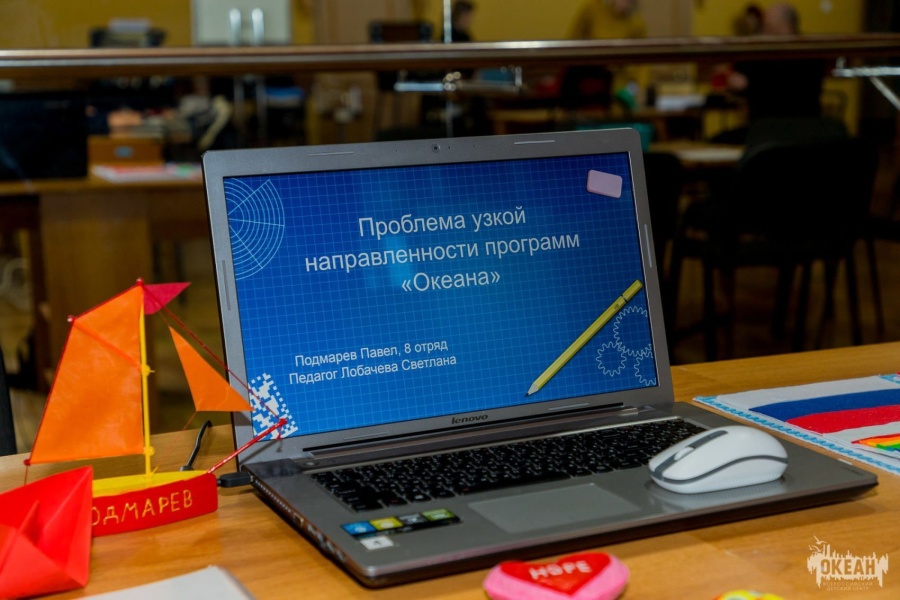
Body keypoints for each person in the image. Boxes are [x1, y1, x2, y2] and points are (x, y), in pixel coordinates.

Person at [714, 2, 827, 143]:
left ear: (786, 25)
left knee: (717, 142)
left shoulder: (783, 54)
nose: (764, 32)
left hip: (771, 130)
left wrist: (747, 85)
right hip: (800, 129)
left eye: (768, 27)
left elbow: (782, 92)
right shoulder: (810, 51)